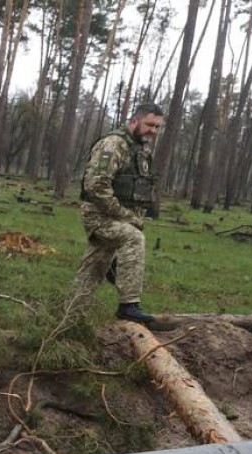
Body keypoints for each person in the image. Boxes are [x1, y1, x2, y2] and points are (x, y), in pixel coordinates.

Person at [68, 102, 166, 326]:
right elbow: (96, 187)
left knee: (94, 267)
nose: (153, 131)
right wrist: (127, 216)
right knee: (133, 237)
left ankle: (69, 318)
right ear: (134, 121)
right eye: (150, 125)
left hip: (115, 215)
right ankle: (128, 306)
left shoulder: (138, 149)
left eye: (157, 127)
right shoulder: (113, 145)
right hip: (99, 215)